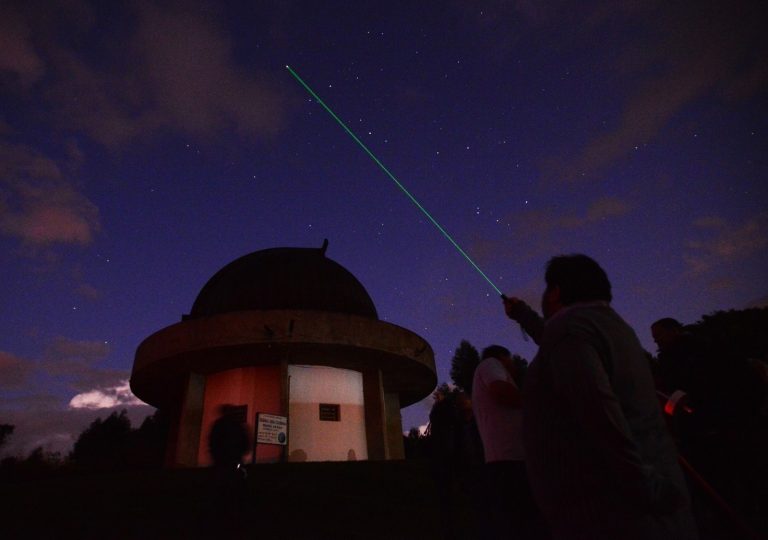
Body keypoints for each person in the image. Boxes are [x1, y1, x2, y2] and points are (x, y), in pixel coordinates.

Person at [503, 254, 697, 540]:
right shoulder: (611, 327)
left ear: (556, 291)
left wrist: (646, 488)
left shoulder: (570, 327)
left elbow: (599, 415)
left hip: (616, 515)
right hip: (640, 509)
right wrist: (523, 314)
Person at [472, 344, 542, 539]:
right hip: (509, 459)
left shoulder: (487, 370)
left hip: (507, 458)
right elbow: (501, 391)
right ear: (502, 357)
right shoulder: (490, 364)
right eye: (510, 358)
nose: (513, 364)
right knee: (521, 520)